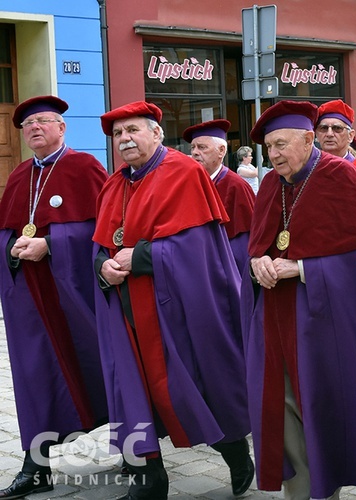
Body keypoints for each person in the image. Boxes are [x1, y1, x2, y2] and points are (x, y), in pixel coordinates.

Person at [93, 101, 254, 500]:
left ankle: (233, 449)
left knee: (190, 390)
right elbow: (99, 245)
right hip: (127, 311)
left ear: (156, 133)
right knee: (133, 392)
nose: (125, 139)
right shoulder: (115, 184)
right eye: (118, 134)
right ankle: (149, 480)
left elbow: (200, 249)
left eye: (133, 130)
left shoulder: (184, 173)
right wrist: (102, 268)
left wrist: (143, 256)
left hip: (176, 310)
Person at [245, 100, 356, 500]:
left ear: (307, 138)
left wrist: (302, 270)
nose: (274, 155)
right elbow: (257, 245)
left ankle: (326, 490)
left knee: (319, 407)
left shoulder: (340, 177)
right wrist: (258, 262)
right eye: (269, 148)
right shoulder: (269, 185)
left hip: (322, 320)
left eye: (281, 144)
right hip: (273, 317)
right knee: (282, 412)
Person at [0, 95, 108, 499]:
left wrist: (53, 244)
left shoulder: (84, 167)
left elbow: (105, 229)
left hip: (75, 294)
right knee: (34, 376)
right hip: (30, 296)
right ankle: (36, 464)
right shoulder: (19, 175)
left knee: (104, 366)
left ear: (62, 128)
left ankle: (142, 456)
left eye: (43, 122)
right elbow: (6, 229)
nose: (34, 129)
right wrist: (11, 246)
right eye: (28, 125)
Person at [183, 119, 256, 272]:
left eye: (202, 147)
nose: (195, 152)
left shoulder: (236, 186)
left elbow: (242, 247)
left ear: (222, 151)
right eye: (193, 147)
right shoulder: (188, 183)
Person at [315, 99, 356, 192]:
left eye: (337, 128)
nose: (329, 134)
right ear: (316, 135)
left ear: (350, 136)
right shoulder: (307, 172)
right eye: (323, 128)